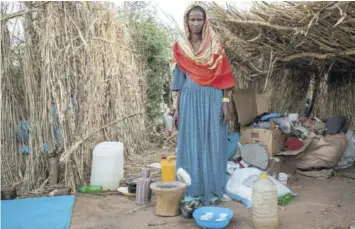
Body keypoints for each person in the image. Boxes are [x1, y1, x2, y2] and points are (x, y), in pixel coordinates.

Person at [170, 4, 236, 205]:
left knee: (213, 141)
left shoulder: (215, 47)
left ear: (205, 22)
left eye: (200, 19)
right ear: (187, 22)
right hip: (189, 100)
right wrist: (176, 109)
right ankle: (193, 190)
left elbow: (224, 77)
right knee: (190, 142)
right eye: (192, 19)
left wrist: (225, 103)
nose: (196, 23)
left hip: (213, 98)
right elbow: (179, 83)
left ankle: (213, 189)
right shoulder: (180, 47)